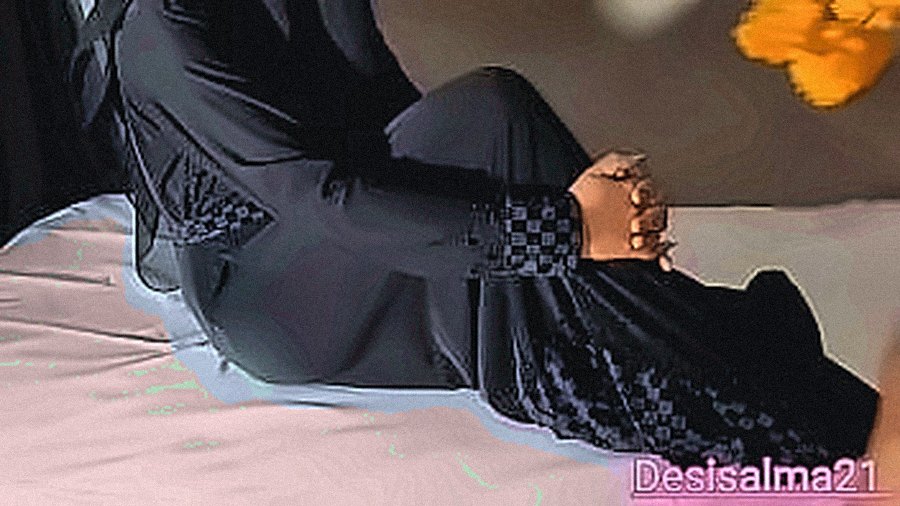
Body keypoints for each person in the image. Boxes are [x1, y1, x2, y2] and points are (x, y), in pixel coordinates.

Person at [69, 0, 877, 467]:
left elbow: (390, 112)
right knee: (495, 118)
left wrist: (556, 213)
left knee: (492, 111)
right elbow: (321, 197)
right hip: (274, 295)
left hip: (345, 233)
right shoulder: (156, 27)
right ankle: (705, 358)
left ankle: (670, 329)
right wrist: (562, 228)